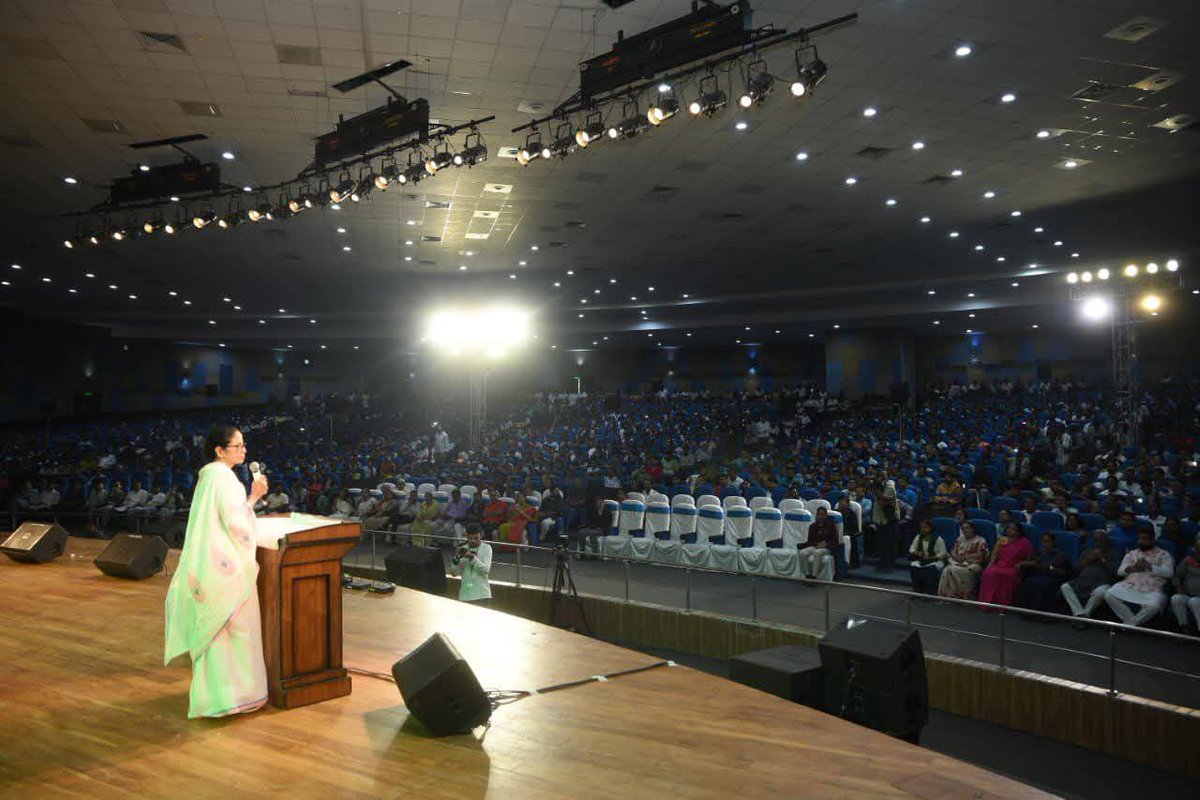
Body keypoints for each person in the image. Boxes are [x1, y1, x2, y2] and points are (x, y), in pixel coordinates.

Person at [164, 424, 272, 719]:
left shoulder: (209, 476)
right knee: (235, 633)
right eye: (238, 446)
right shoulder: (224, 479)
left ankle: (217, 696)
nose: (244, 450)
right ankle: (234, 696)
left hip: (211, 566)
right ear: (219, 450)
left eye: (244, 445)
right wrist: (254, 496)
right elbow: (237, 524)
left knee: (220, 635)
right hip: (228, 568)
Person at [1104, 529, 1173, 627]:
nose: (1141, 541)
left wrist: (1150, 566)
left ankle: (1130, 624)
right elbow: (1119, 572)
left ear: (1153, 540)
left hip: (1152, 589)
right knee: (1109, 594)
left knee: (1155, 605)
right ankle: (1133, 622)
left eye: (1145, 539)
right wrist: (1132, 568)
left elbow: (1169, 573)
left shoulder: (1163, 554)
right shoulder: (1132, 554)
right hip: (1130, 586)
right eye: (1140, 539)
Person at [1061, 529, 1121, 622]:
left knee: (1100, 593)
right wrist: (1089, 560)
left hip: (1102, 582)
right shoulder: (1087, 552)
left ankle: (1085, 615)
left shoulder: (1112, 553)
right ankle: (1079, 614)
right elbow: (1075, 569)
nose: (1098, 543)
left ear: (1106, 540)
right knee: (1065, 587)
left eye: (1101, 540)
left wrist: (1101, 558)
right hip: (1082, 581)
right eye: (1096, 540)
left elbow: (1114, 572)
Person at [978, 523, 1034, 606]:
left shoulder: (1025, 542)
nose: (1009, 530)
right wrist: (989, 566)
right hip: (999, 565)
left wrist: (1021, 564)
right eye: (1008, 528)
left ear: (1019, 532)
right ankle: (987, 602)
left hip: (1013, 567)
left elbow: (1029, 558)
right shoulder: (1002, 540)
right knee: (989, 573)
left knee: (1005, 575)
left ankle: (1003, 604)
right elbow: (994, 555)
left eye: (1013, 529)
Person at [1013, 532, 1071, 613]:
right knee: (1028, 582)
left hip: (1052, 577)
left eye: (1047, 541)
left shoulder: (1060, 555)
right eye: (1043, 541)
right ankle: (1028, 612)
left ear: (1053, 542)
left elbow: (1063, 571)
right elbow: (1032, 562)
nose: (1045, 544)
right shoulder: (1039, 552)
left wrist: (1049, 567)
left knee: (1041, 584)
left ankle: (1042, 613)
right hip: (1038, 575)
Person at [938, 521, 989, 600]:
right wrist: (956, 557)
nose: (965, 530)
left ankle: (965, 596)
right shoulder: (960, 539)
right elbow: (953, 551)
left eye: (967, 528)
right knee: (947, 569)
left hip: (975, 563)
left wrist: (965, 558)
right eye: (963, 529)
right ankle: (949, 596)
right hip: (958, 561)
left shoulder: (980, 540)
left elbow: (981, 555)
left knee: (961, 570)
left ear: (973, 529)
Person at [449, 523, 492, 606]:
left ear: (481, 535)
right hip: (465, 596)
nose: (473, 541)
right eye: (470, 538)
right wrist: (457, 558)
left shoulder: (487, 548)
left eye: (476, 538)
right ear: (466, 536)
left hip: (482, 595)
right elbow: (453, 573)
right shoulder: (463, 549)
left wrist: (472, 558)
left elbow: (486, 570)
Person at [1169, 534, 1200, 633]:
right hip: (1187, 594)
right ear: (1194, 549)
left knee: (1194, 602)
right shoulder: (1187, 561)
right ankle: (1183, 627)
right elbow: (1176, 576)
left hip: (1198, 598)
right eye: (1198, 548)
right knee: (1176, 598)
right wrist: (1178, 586)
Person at [799, 506, 839, 581]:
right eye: (819, 514)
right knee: (802, 553)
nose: (821, 516)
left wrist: (826, 543)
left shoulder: (831, 525)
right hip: (815, 546)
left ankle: (814, 576)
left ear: (826, 515)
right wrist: (816, 544)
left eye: (822, 514)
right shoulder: (812, 526)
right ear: (816, 515)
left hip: (827, 548)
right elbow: (809, 540)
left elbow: (835, 540)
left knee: (817, 553)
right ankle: (807, 575)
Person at [908, 519, 947, 595]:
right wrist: (916, 552)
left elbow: (943, 553)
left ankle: (929, 593)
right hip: (922, 559)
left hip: (935, 560)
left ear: (931, 528)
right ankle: (917, 591)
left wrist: (931, 558)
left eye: (925, 527)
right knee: (914, 567)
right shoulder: (918, 537)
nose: (923, 529)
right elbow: (911, 548)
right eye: (922, 527)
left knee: (930, 569)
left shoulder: (938, 539)